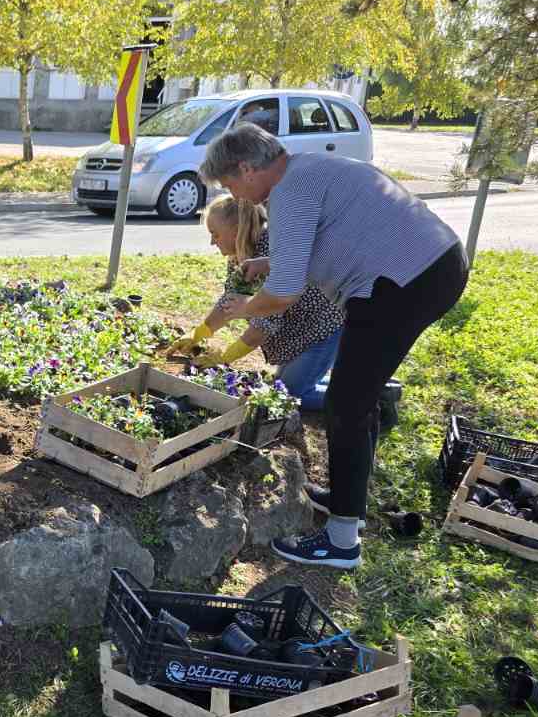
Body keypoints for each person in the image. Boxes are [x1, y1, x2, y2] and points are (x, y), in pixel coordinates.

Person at [199, 123, 468, 570]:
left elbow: (283, 292)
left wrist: (244, 306)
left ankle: (342, 541)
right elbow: (323, 239)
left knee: (346, 402)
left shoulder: (289, 190)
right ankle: (347, 502)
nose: (237, 195)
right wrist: (270, 259)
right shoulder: (307, 172)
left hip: (405, 280)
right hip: (428, 267)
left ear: (247, 167)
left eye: (230, 184)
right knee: (354, 398)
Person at [167, 195, 344, 410]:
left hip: (321, 329)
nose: (212, 242)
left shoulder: (270, 250)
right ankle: (358, 385)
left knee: (290, 396)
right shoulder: (241, 252)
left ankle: (369, 398)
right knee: (283, 385)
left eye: (215, 234)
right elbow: (231, 299)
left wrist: (224, 358)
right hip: (297, 330)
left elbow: (263, 326)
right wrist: (199, 333)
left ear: (237, 231)